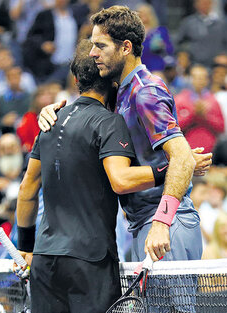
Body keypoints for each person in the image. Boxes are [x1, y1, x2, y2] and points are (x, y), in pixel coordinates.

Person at [37, 6, 212, 263]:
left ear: (126, 47)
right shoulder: (122, 92)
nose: (93, 53)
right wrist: (51, 111)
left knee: (175, 306)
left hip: (165, 225)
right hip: (144, 224)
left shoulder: (146, 92)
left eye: (101, 46)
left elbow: (182, 158)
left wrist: (162, 222)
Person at [16, 40, 166, 313]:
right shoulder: (109, 122)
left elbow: (27, 190)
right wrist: (169, 167)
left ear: (75, 80)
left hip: (44, 258)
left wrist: (26, 247)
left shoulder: (51, 121)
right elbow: (121, 180)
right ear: (112, 81)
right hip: (90, 260)